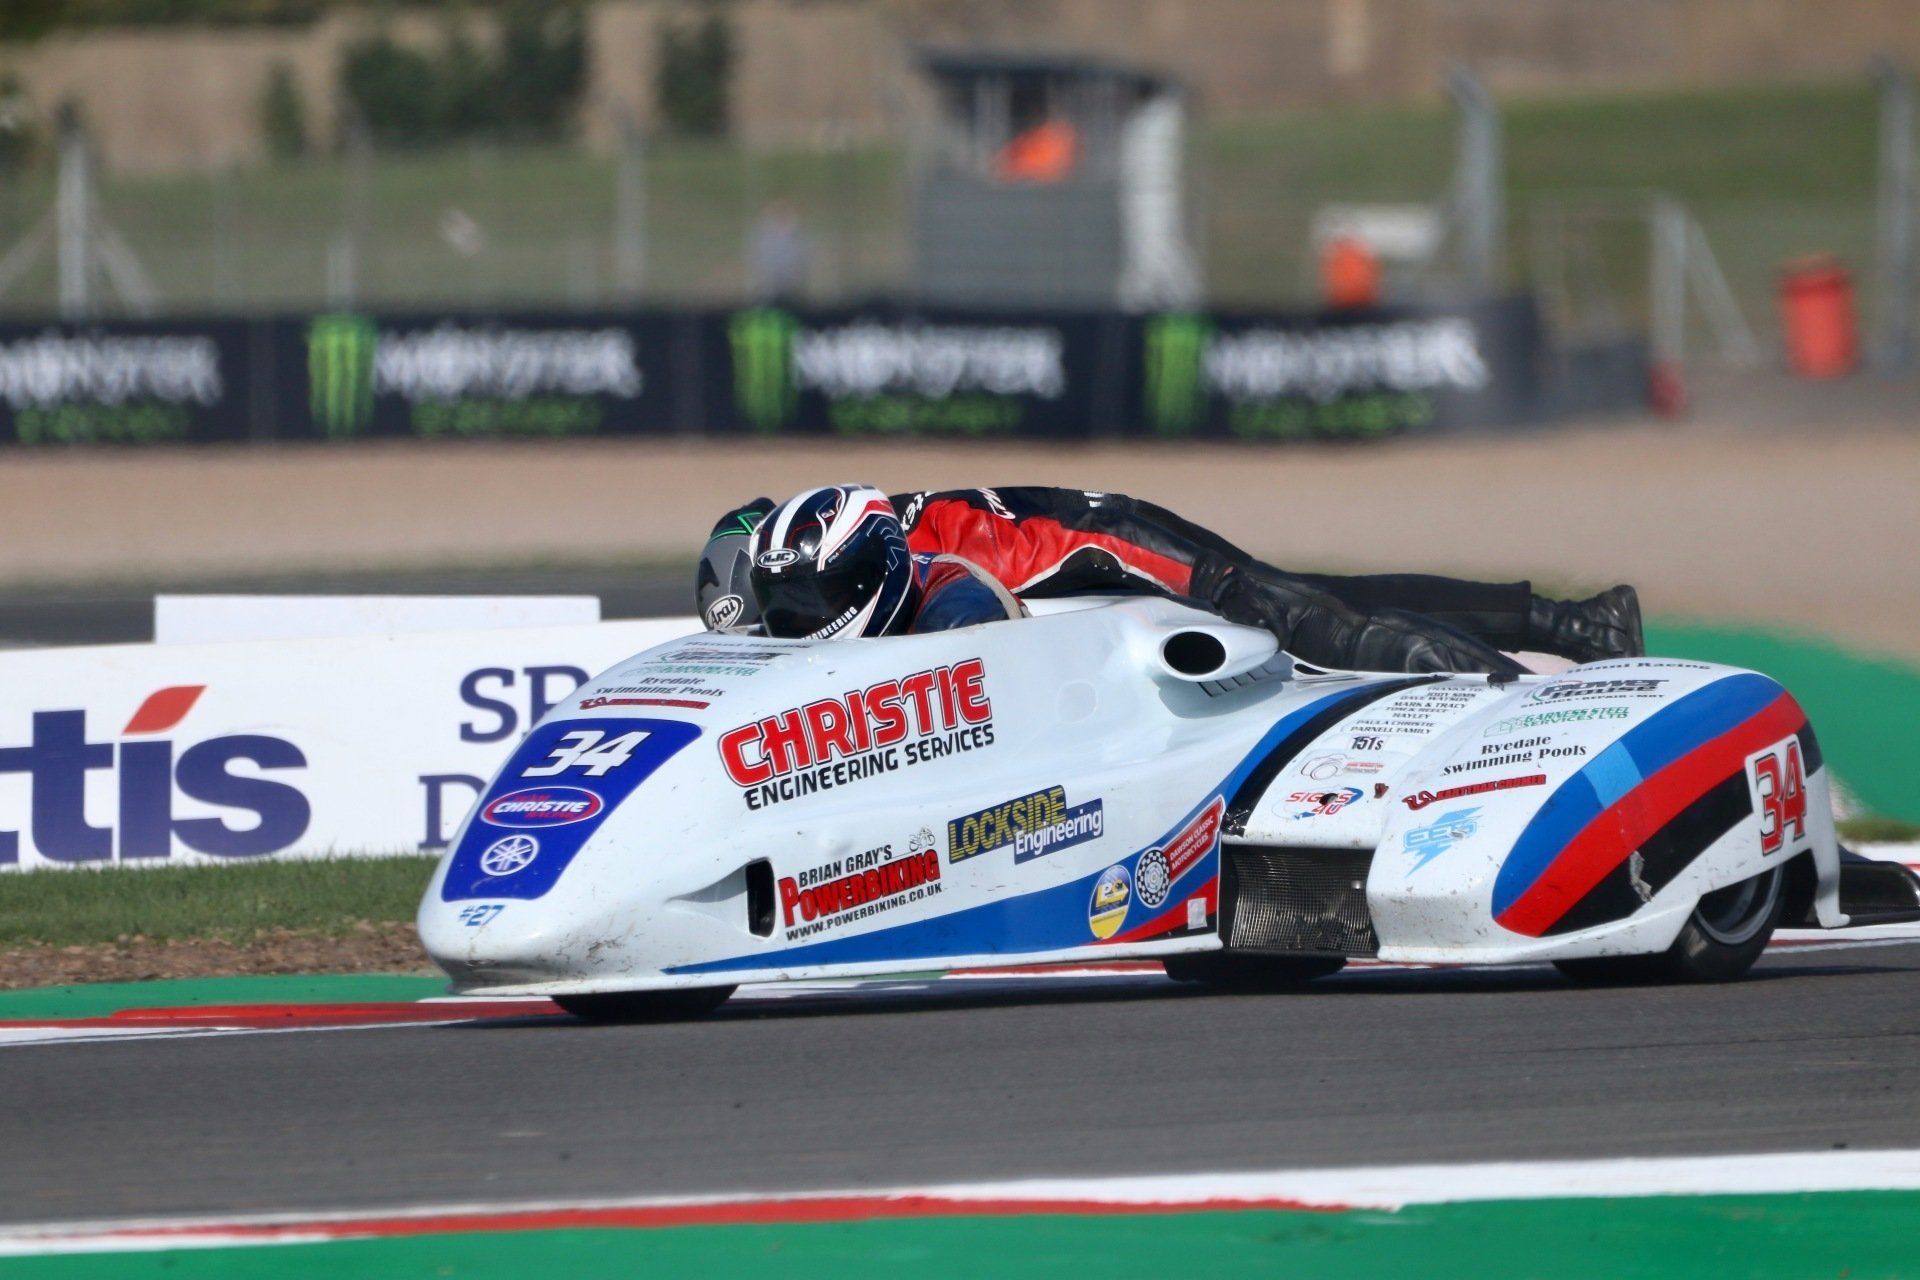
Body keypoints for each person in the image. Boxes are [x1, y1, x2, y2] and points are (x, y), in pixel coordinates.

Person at [698, 485, 1643, 676]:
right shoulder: (823, 538)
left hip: (1095, 543)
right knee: (1319, 588)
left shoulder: (895, 564)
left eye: (787, 607)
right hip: (1038, 551)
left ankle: (1521, 687)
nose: (786, 619)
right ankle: (1567, 622)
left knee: (1306, 620)